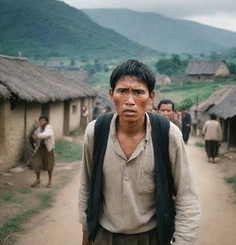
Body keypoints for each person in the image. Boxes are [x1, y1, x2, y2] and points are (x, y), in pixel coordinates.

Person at [78, 60, 200, 245]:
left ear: (151, 96)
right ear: (111, 95)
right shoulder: (95, 132)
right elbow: (86, 188)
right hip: (105, 236)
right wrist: (86, 235)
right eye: (122, 91)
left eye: (138, 92)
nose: (129, 101)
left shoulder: (168, 134)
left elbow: (186, 195)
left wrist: (182, 241)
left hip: (152, 237)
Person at [30, 115, 55, 188]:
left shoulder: (49, 127)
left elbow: (46, 135)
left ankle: (50, 181)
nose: (41, 122)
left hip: (48, 149)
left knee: (49, 165)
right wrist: (33, 138)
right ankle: (38, 180)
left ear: (46, 121)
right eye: (40, 120)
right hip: (40, 149)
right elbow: (34, 136)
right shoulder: (39, 129)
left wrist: (36, 135)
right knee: (37, 164)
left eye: (43, 120)